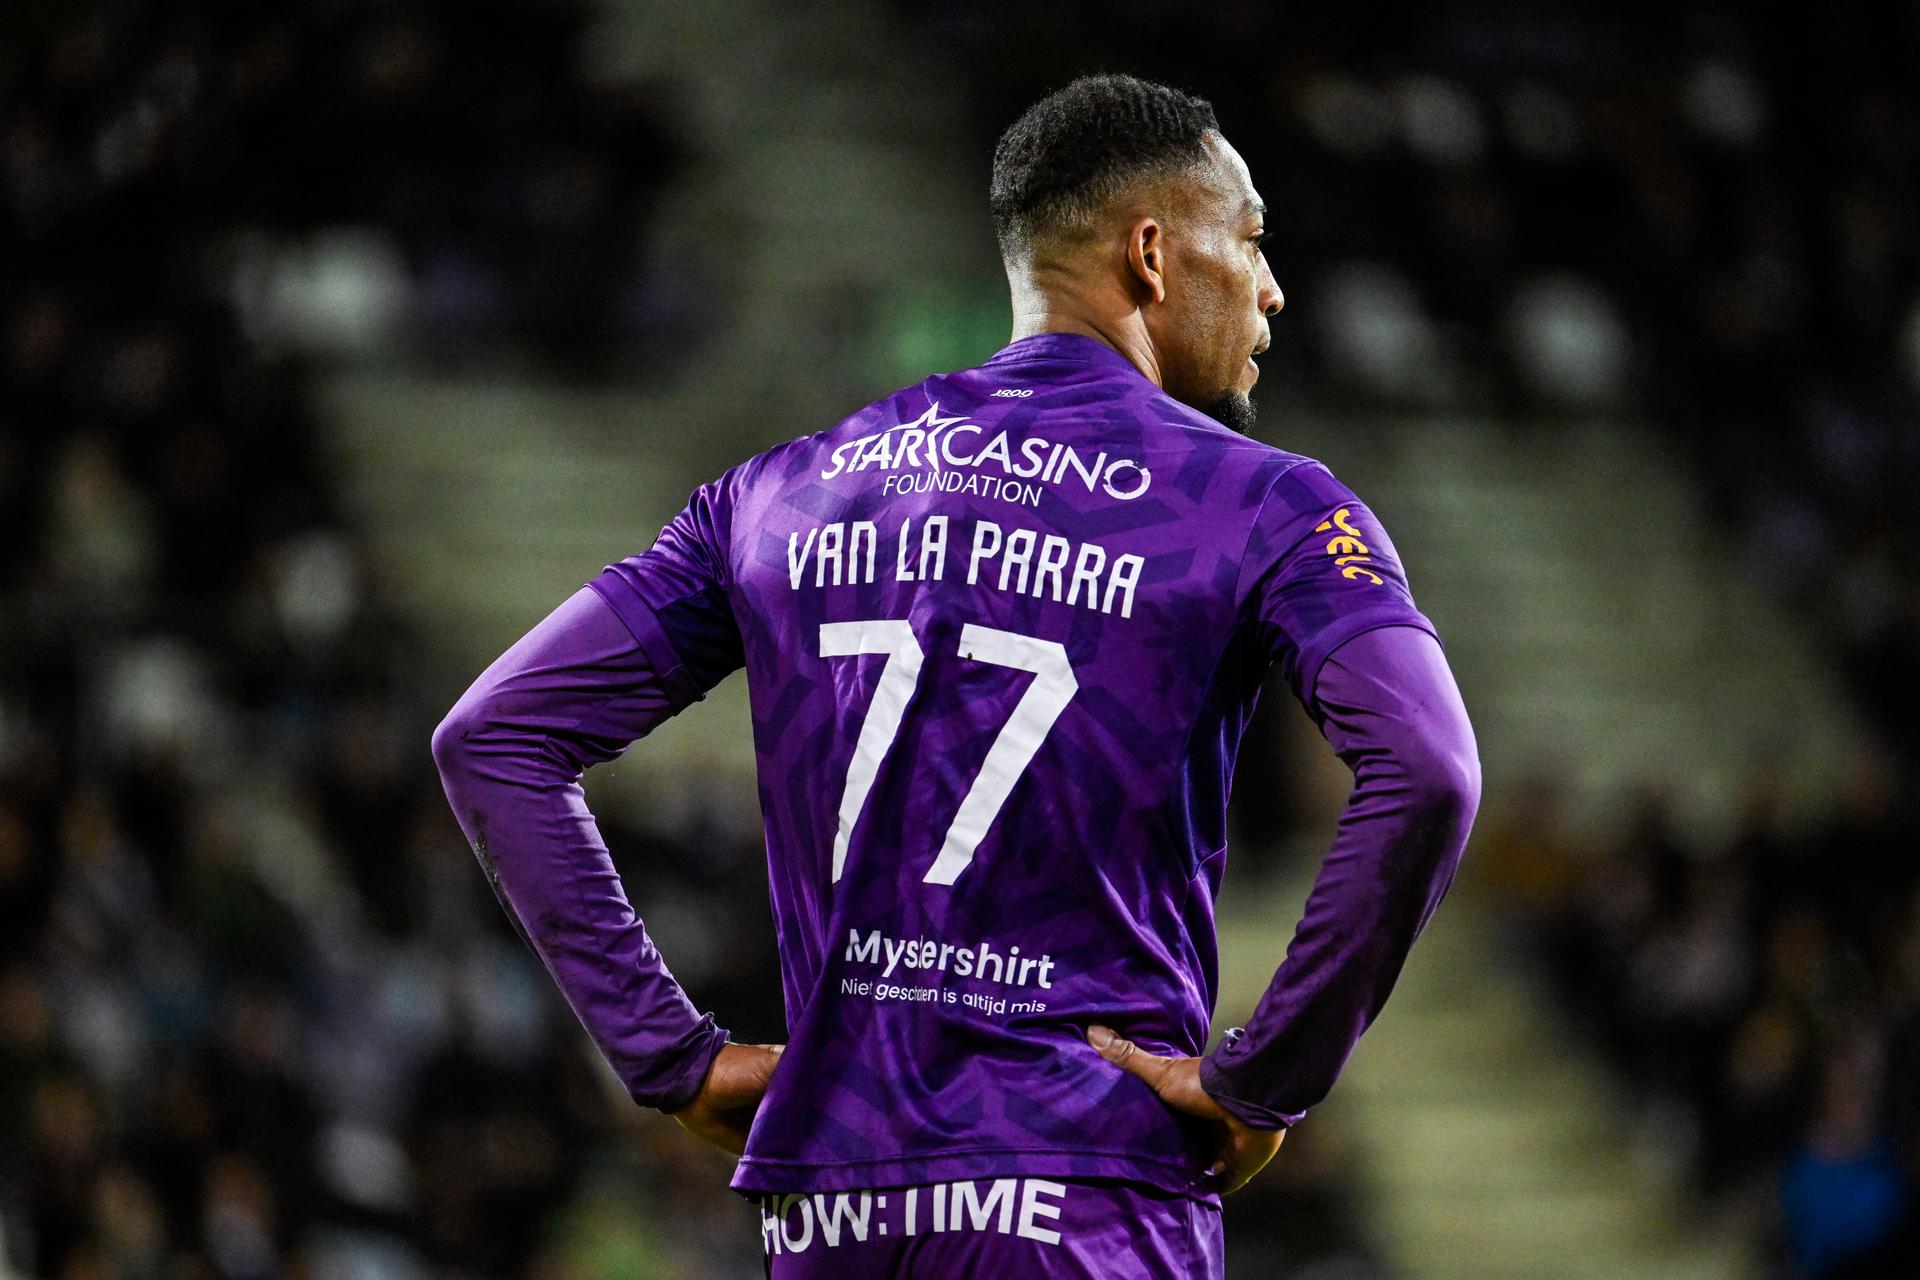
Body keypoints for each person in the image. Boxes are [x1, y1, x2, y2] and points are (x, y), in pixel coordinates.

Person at [432, 73, 1479, 1279]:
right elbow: (1429, 768)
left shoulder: (779, 491)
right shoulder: (1261, 502)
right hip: (1083, 1190)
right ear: (1151, 255)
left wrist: (668, 1053)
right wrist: (1269, 1075)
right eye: (1248, 240)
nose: (1272, 286)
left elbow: (495, 736)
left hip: (835, 1208)